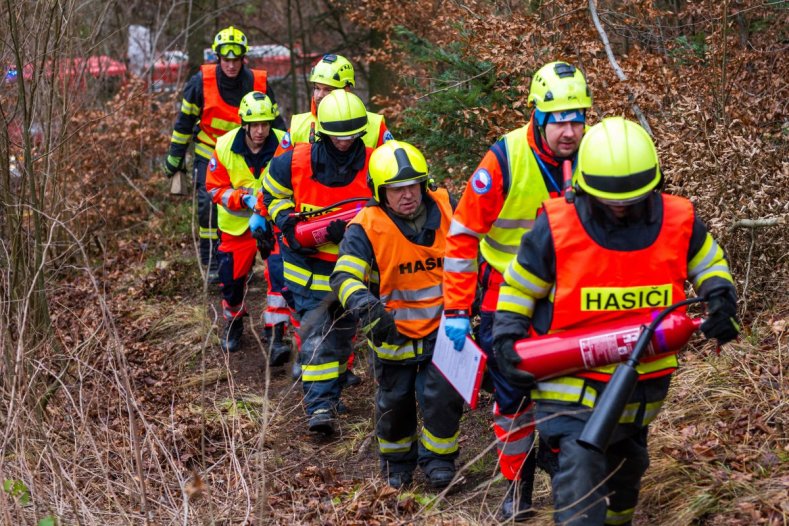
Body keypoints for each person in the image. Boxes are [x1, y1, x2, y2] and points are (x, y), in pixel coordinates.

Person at [492, 117, 740, 525]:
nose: (621, 205)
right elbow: (519, 288)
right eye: (610, 198)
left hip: (640, 383)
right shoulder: (556, 226)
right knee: (581, 471)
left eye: (632, 197)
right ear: (583, 185)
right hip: (568, 375)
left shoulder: (679, 220)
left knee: (626, 473)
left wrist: (721, 300)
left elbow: (710, 264)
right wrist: (507, 337)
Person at [442, 61, 592, 520]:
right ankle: (518, 483)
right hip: (503, 298)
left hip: (569, 297)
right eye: (559, 120)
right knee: (512, 399)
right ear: (539, 117)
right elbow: (464, 235)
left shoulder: (595, 155)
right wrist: (454, 309)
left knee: (573, 389)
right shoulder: (505, 158)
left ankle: (569, 471)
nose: (569, 131)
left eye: (577, 119)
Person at [330, 141, 464, 489]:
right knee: (395, 403)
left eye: (413, 186)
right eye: (397, 189)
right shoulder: (365, 226)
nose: (408, 195)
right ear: (380, 192)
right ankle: (396, 465)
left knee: (442, 398)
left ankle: (439, 460)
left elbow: (478, 249)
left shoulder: (449, 209)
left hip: (445, 329)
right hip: (392, 333)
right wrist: (364, 305)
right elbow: (343, 275)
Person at [261, 90, 373, 435]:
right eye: (338, 134)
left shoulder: (374, 162)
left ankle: (332, 393)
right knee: (315, 341)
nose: (344, 141)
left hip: (352, 271)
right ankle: (319, 406)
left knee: (341, 337)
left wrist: (356, 229)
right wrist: (289, 223)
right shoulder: (292, 162)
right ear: (322, 131)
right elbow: (272, 194)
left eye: (351, 134)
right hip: (307, 270)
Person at [163, 26, 286, 283]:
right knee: (209, 205)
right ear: (218, 58)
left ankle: (253, 259)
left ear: (244, 58)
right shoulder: (200, 83)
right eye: (226, 60)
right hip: (211, 150)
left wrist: (288, 154)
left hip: (252, 153)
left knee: (264, 201)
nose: (231, 65)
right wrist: (175, 155)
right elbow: (185, 121)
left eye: (236, 60)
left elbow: (275, 122)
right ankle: (211, 263)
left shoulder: (258, 83)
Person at [204, 91, 289, 360]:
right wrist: (245, 199)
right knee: (231, 280)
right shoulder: (225, 146)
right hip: (236, 227)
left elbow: (291, 184)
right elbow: (214, 188)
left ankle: (276, 333)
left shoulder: (284, 145)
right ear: (245, 124)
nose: (261, 131)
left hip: (273, 222)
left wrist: (265, 208)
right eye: (256, 125)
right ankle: (234, 320)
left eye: (266, 124)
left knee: (279, 274)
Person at [286, 53, 392, 148]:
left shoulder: (375, 125)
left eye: (328, 89)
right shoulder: (298, 126)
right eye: (317, 88)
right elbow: (275, 167)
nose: (319, 95)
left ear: (347, 90)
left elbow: (390, 164)